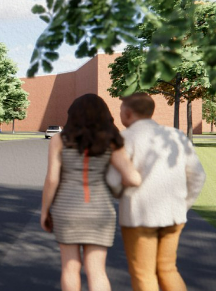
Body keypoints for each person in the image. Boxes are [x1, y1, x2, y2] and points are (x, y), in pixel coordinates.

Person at [41, 94, 141, 291]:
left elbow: (52, 179)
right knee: (97, 270)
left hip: (66, 209)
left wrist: (45, 210)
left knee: (70, 268)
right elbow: (133, 178)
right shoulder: (112, 141)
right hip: (100, 210)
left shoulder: (59, 140)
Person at [107, 93, 206, 291]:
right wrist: (183, 204)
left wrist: (119, 193)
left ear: (127, 113)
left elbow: (114, 181)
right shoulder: (176, 135)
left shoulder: (125, 138)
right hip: (175, 214)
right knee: (168, 269)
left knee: (143, 274)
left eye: (120, 111)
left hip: (139, 217)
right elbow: (198, 176)